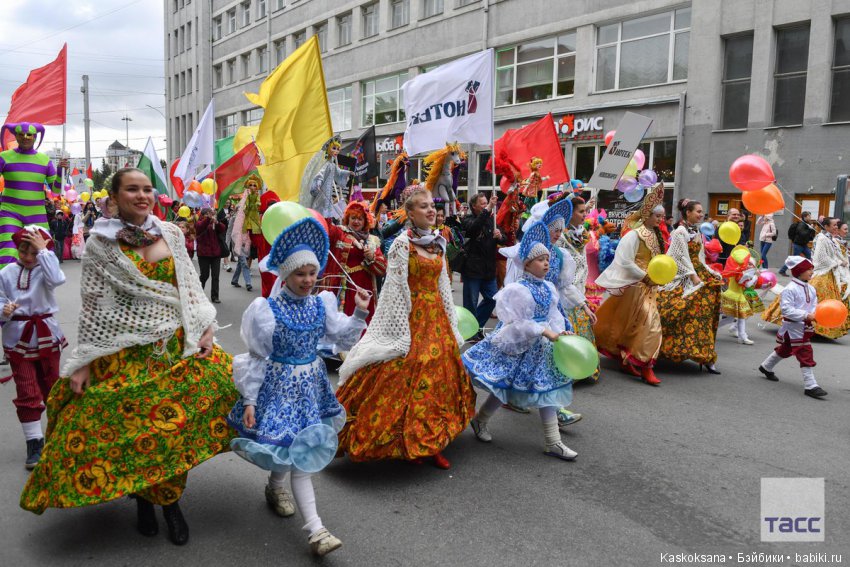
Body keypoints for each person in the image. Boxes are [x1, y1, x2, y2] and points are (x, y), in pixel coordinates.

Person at [20, 168, 239, 547]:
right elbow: (92, 308)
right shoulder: (99, 244)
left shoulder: (170, 232)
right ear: (116, 197)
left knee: (170, 433)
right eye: (132, 190)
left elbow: (189, 287)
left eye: (147, 189)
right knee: (133, 433)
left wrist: (204, 326)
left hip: (170, 350)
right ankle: (141, 498)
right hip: (121, 355)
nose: (142, 196)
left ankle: (170, 504)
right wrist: (85, 360)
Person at [227, 216, 368, 557]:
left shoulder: (322, 304)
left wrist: (360, 314)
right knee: (292, 451)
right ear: (285, 275)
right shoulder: (266, 310)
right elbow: (257, 357)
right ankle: (316, 530)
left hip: (311, 390)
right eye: (299, 274)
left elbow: (342, 338)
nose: (307, 280)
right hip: (278, 390)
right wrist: (249, 400)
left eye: (311, 273)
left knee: (299, 454)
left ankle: (277, 489)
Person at [335, 188, 475, 470]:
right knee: (407, 370)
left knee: (439, 375)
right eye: (423, 207)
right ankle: (405, 437)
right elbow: (395, 289)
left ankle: (433, 439)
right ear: (410, 214)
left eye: (431, 205)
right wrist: (401, 330)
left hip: (436, 319)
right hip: (411, 317)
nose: (430, 210)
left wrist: (450, 322)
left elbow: (443, 287)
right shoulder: (402, 244)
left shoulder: (438, 243)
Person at [462, 221, 577, 461]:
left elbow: (553, 314)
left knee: (546, 390)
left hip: (542, 349)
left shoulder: (549, 287)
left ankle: (553, 441)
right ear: (526, 264)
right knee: (502, 387)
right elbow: (519, 322)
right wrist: (547, 332)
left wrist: (561, 331)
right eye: (540, 260)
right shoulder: (518, 290)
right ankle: (480, 420)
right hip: (519, 346)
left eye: (547, 259)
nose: (546, 263)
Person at [0, 227, 67, 469]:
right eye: (23, 251)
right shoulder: (6, 272)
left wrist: (43, 252)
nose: (28, 257)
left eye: (33, 252)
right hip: (17, 339)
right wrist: (3, 310)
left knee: (52, 385)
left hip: (47, 335)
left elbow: (58, 278)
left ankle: (58, 436)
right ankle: (34, 441)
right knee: (27, 389)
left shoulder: (45, 270)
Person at [593, 184, 666, 386]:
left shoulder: (656, 235)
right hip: (636, 285)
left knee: (632, 325)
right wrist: (644, 276)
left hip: (650, 287)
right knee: (651, 325)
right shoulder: (635, 234)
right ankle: (646, 366)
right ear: (646, 215)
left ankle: (627, 359)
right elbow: (624, 260)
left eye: (661, 217)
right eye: (657, 216)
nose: (660, 220)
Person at [657, 199, 723, 373]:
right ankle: (661, 347)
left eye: (702, 212)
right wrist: (693, 277)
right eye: (698, 211)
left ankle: (707, 355)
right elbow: (679, 257)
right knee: (672, 310)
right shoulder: (679, 231)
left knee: (706, 316)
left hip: (697, 271)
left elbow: (700, 257)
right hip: (685, 275)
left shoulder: (698, 231)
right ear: (688, 212)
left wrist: (710, 271)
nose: (701, 214)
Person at [765, 217, 849, 339]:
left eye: (837, 225)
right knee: (811, 297)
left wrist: (843, 260)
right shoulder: (821, 238)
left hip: (830, 273)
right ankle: (807, 324)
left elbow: (835, 254)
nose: (836, 227)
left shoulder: (830, 238)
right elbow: (821, 258)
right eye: (834, 225)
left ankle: (820, 326)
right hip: (822, 274)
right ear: (826, 227)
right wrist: (838, 263)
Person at [758, 256, 827, 399]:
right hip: (794, 325)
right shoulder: (790, 289)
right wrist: (806, 315)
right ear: (799, 271)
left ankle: (766, 366)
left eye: (811, 269)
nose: (811, 272)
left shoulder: (811, 288)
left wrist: (815, 313)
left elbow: (814, 304)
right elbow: (786, 310)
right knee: (805, 352)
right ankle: (810, 385)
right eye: (808, 269)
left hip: (805, 325)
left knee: (786, 348)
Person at [0, 122, 66, 267]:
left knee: (43, 254)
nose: (25, 137)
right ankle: (5, 288)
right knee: (7, 253)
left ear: (35, 137)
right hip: (10, 213)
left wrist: (61, 172)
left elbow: (55, 191)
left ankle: (37, 287)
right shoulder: (4, 157)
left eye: (29, 135)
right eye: (21, 134)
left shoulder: (44, 160)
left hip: (36, 214)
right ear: (15, 136)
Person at [321, 200, 386, 323]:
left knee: (362, 320)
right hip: (342, 286)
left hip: (364, 287)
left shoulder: (373, 240)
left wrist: (372, 257)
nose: (356, 221)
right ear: (347, 219)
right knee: (341, 320)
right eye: (353, 218)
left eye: (360, 219)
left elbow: (382, 269)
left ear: (365, 221)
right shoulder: (339, 233)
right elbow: (326, 226)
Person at [561, 196, 600, 381]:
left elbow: (582, 264)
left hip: (579, 289)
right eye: (581, 211)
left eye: (586, 211)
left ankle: (582, 366)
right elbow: (563, 275)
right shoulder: (560, 236)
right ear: (569, 212)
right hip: (564, 292)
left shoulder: (581, 233)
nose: (585, 215)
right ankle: (568, 369)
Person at [461, 192, 505, 338]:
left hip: (488, 269)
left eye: (487, 202)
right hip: (472, 269)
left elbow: (504, 238)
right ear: (474, 206)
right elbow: (473, 228)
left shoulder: (491, 220)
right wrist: (489, 208)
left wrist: (500, 236)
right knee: (471, 303)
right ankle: (469, 332)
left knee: (493, 299)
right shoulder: (467, 219)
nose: (486, 205)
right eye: (483, 203)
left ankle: (476, 327)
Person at [301, 136, 352, 219]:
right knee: (321, 205)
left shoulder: (332, 164)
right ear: (328, 149)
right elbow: (320, 174)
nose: (336, 151)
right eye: (334, 148)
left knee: (328, 205)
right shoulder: (326, 164)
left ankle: (326, 221)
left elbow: (338, 173)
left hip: (328, 191)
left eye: (338, 149)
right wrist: (318, 183)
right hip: (323, 190)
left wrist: (348, 173)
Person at [195, 207, 226, 304]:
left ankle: (215, 296)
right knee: (204, 275)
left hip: (215, 253)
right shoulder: (199, 222)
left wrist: (216, 223)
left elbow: (223, 228)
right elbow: (200, 227)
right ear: (203, 215)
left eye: (211, 214)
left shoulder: (213, 222)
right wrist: (208, 219)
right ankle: (198, 294)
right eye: (207, 214)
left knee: (215, 276)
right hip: (203, 254)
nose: (210, 215)